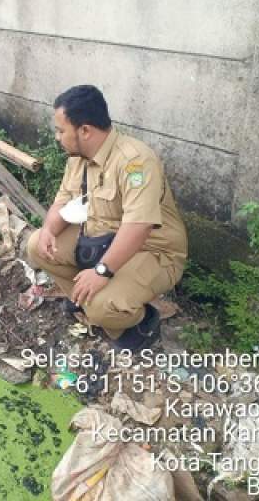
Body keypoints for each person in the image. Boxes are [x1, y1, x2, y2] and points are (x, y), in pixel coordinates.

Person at [26, 85, 187, 351]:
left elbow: (139, 226)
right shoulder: (77, 159)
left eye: (61, 131)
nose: (57, 137)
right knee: (37, 246)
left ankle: (140, 323)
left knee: (102, 307)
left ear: (85, 130)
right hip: (103, 241)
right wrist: (48, 230)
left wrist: (102, 271)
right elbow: (62, 201)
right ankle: (85, 297)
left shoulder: (135, 162)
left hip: (152, 250)